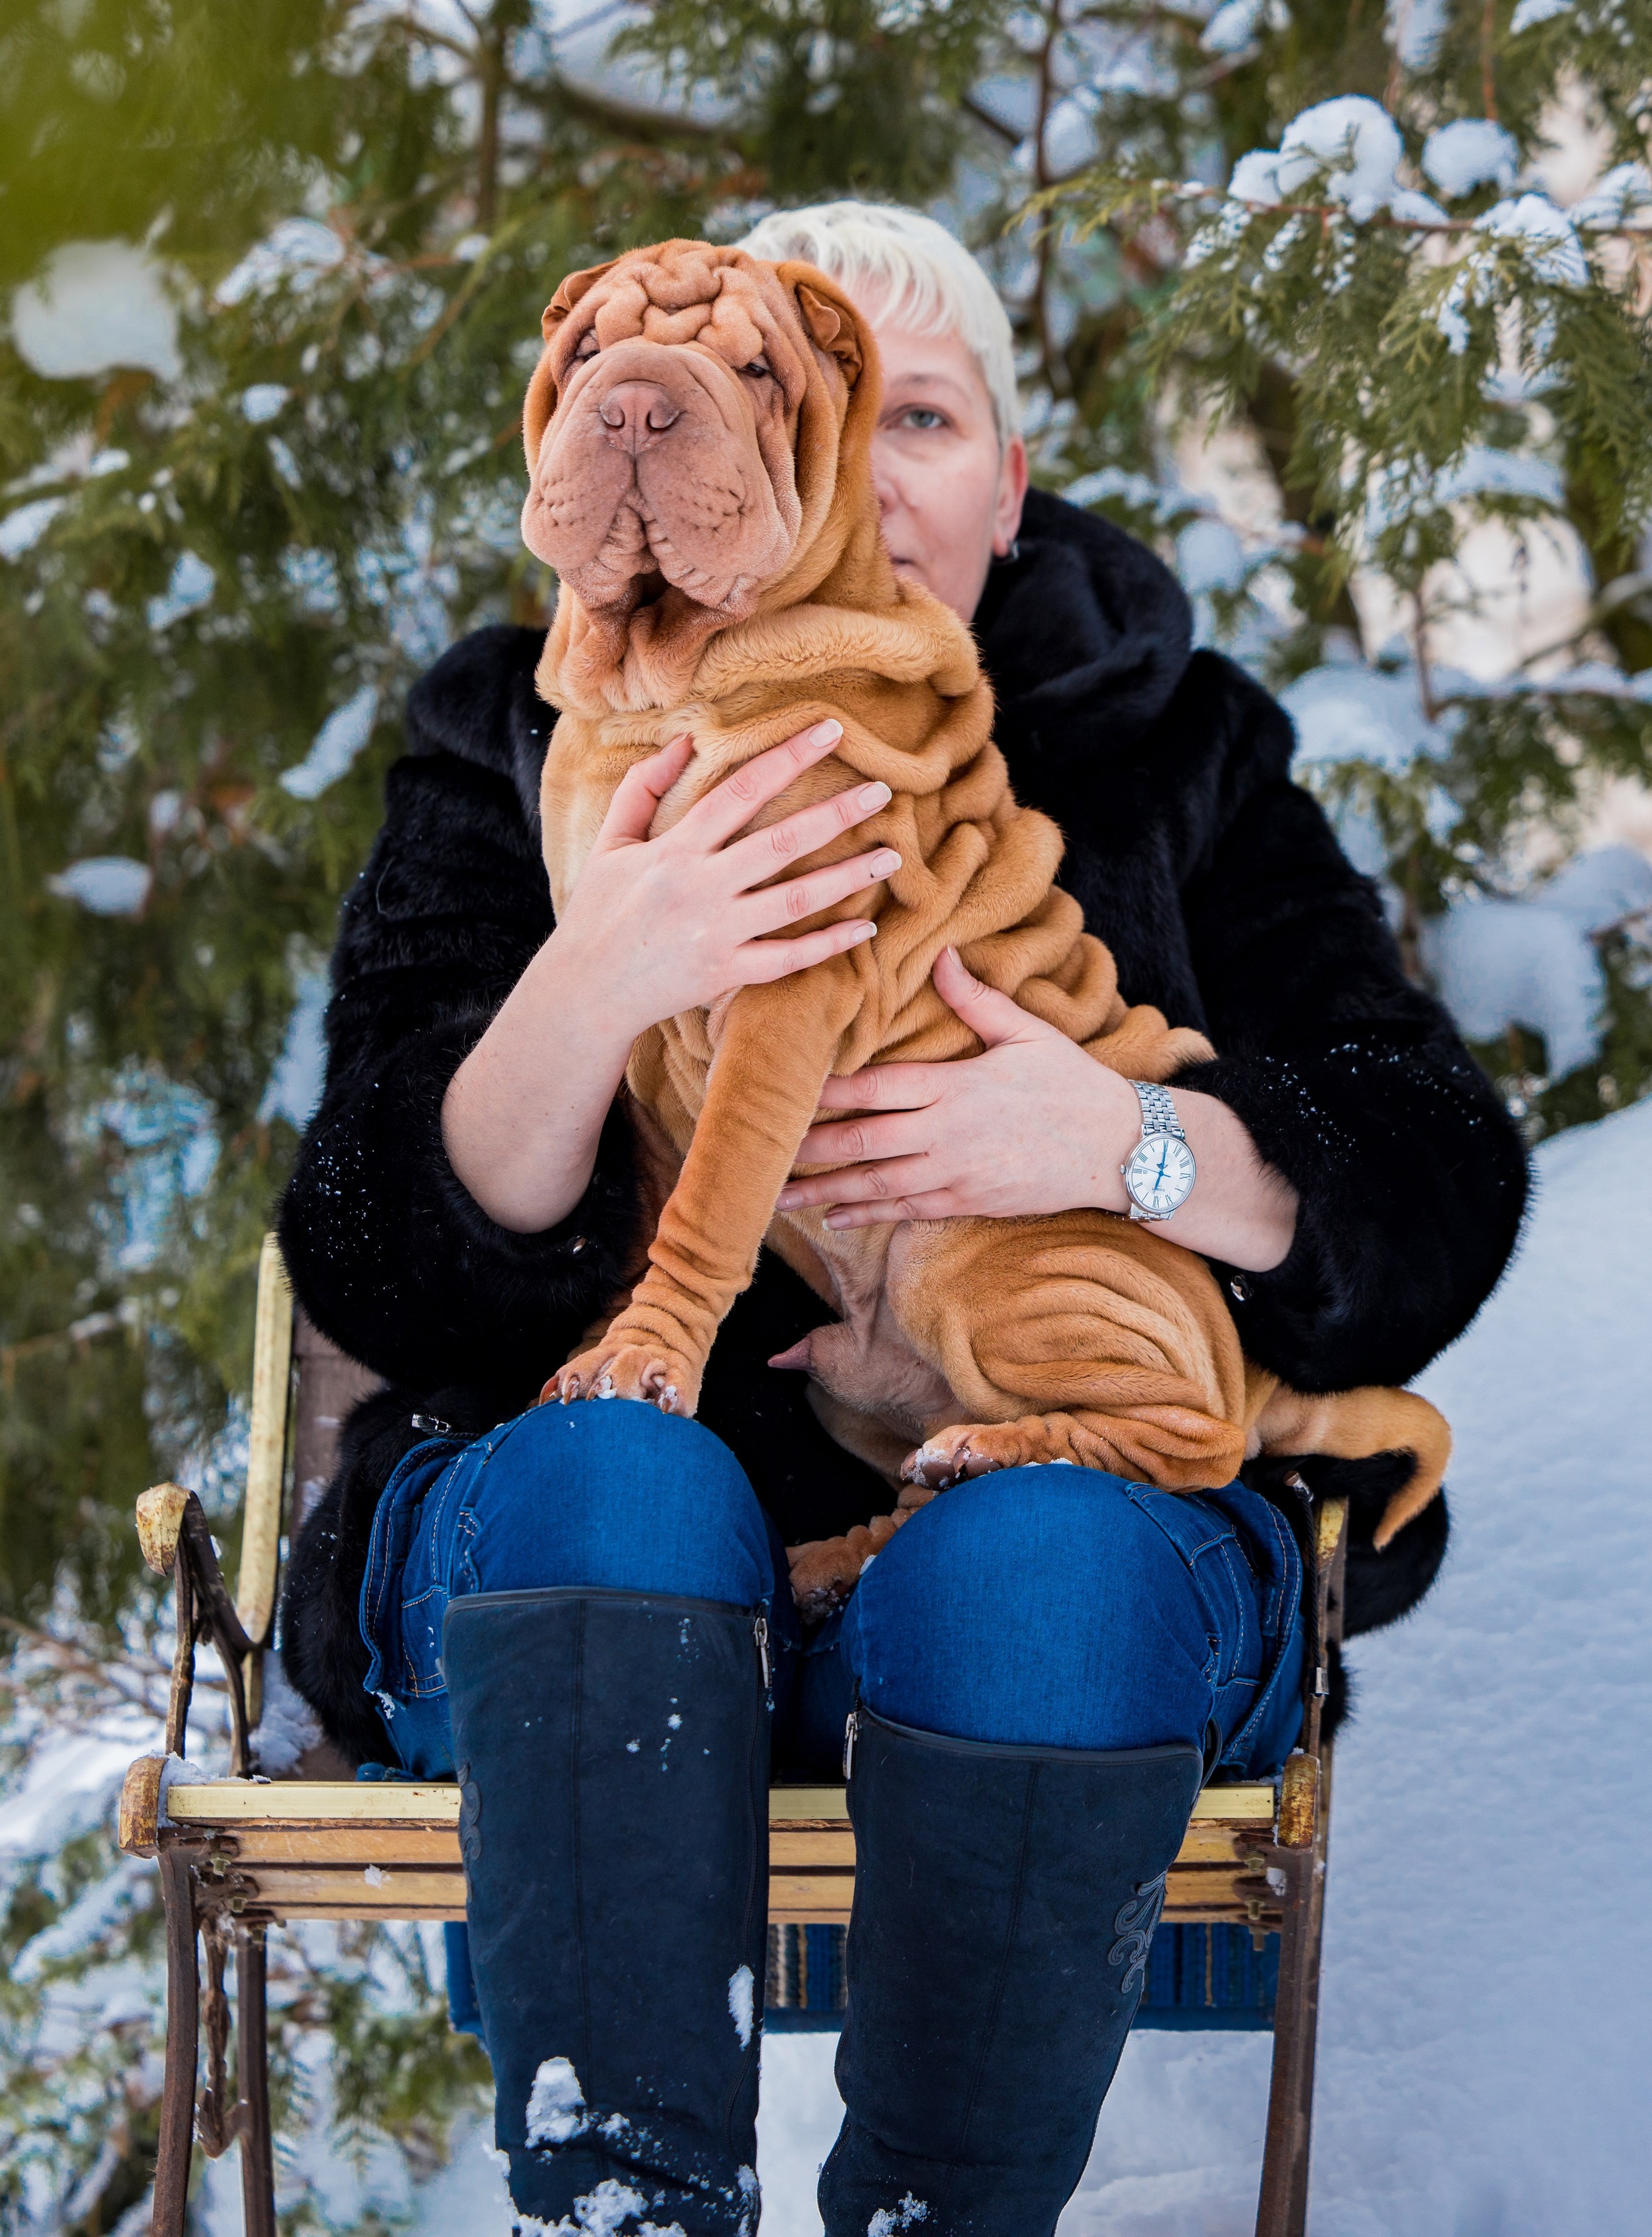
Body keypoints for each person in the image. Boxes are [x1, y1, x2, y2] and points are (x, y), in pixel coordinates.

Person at [277, 202, 1528, 2236]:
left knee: (1038, 1560)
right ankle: (621, 2209)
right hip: (588, 1588)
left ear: (1006, 478)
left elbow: (1436, 1188)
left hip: (1057, 1543)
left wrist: (1126, 1134)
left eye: (918, 410)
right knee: (610, 1474)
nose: (853, 461)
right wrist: (599, 972)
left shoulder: (1177, 756)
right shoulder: (528, 729)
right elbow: (365, 1237)